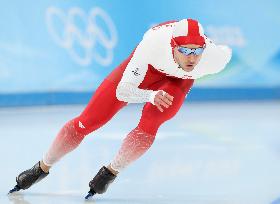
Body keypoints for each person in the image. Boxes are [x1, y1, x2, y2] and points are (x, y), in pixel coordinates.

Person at [9, 18, 232, 199]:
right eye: (185, 50)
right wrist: (150, 95)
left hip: (178, 82)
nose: (192, 58)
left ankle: (111, 171)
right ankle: (41, 167)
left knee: (151, 122)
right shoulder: (152, 44)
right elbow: (122, 91)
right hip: (148, 70)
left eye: (197, 50)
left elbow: (225, 52)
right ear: (173, 46)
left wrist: (157, 97)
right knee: (89, 120)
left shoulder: (214, 59)